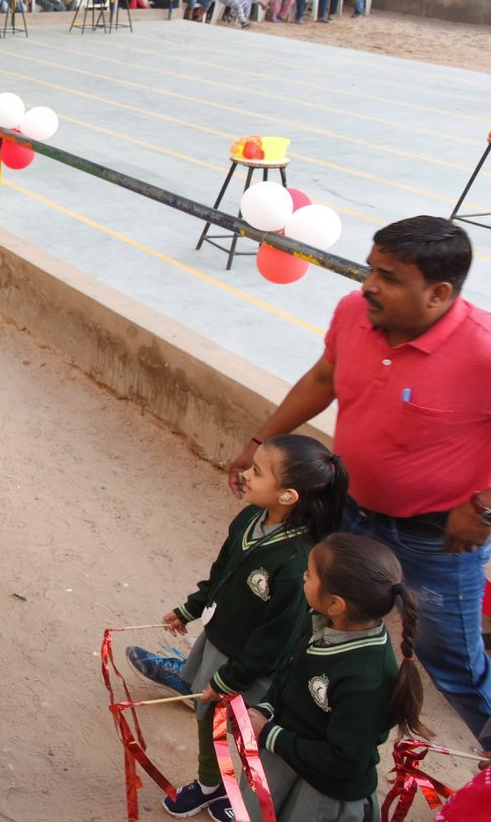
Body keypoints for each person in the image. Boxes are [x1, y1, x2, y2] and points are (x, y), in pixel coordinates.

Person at [229, 216, 491, 752]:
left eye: (388, 277)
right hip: (347, 513)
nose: (368, 285)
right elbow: (324, 378)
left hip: (435, 539)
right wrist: (262, 442)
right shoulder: (354, 313)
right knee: (308, 615)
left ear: (438, 293)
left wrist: (484, 506)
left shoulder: (482, 349)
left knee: (452, 661)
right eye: (370, 269)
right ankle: (248, 703)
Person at [128, 435, 348, 821]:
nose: (244, 474)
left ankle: (244, 797)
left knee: (247, 735)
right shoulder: (249, 518)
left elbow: (277, 640)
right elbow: (222, 573)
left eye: (257, 472)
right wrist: (193, 607)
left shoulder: (296, 562)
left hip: (253, 668)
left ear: (288, 496)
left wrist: (231, 679)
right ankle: (211, 784)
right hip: (219, 646)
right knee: (206, 717)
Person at [242, 534, 431, 822]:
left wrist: (268, 734)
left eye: (309, 574)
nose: (303, 577)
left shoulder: (367, 682)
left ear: (335, 603)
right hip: (288, 757)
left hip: (322, 793)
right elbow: (290, 674)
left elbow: (344, 760)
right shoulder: (324, 622)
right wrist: (265, 708)